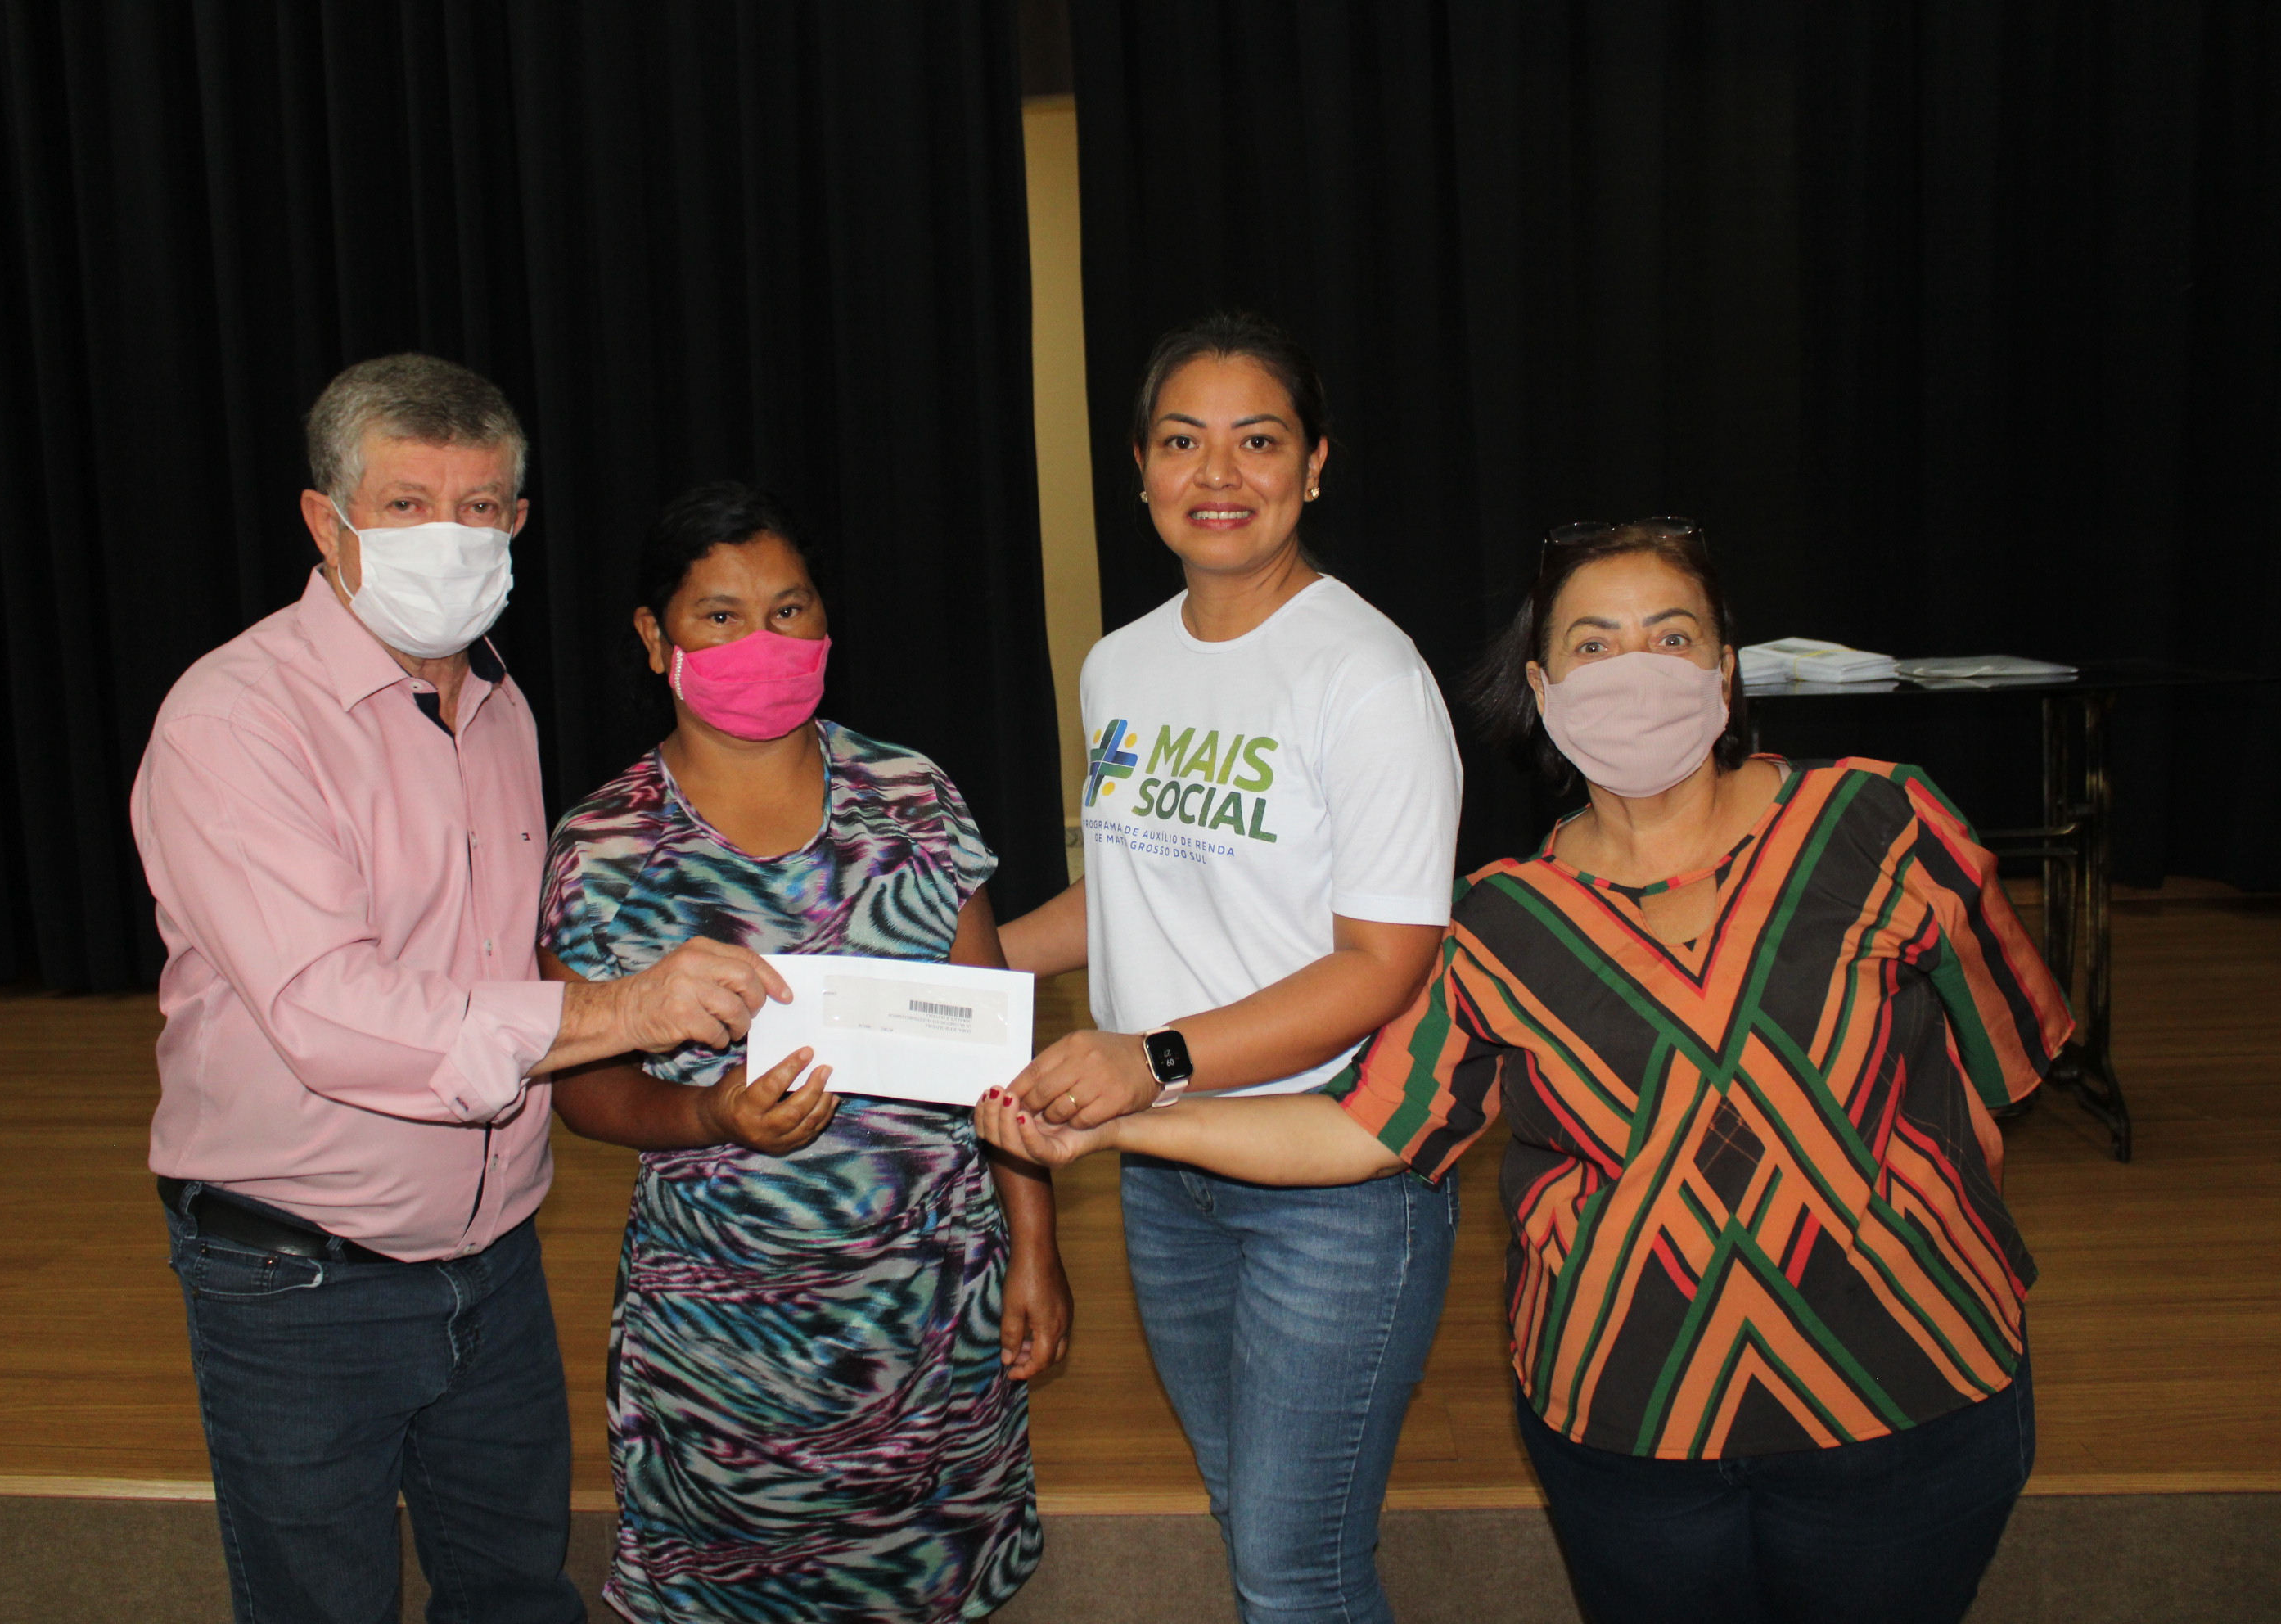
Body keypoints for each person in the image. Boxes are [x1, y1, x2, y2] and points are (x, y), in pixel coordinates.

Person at [981, 518, 2075, 1624]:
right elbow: (1364, 1129)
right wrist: (1117, 1124)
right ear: (1543, 691)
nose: (1636, 671)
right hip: (1628, 1433)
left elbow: (2006, 1068)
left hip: (1912, 1405)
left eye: (1671, 637)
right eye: (1594, 645)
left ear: (1726, 670)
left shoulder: (1885, 822)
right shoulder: (1498, 922)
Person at [133, 355, 794, 1624]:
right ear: (325, 520)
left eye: (480, 507)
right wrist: (625, 1008)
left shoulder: (498, 706)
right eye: (407, 504)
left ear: (519, 522)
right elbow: (332, 1012)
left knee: (514, 1587)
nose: (450, 535)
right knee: (322, 1604)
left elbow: (496, 962)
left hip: (493, 1261)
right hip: (301, 1276)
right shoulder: (235, 720)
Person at [997, 314, 1463, 1623]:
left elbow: (1385, 964)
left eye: (1257, 442)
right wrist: (963, 959)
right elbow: (1134, 883)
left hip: (1332, 1180)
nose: (1218, 474)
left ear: (1314, 466)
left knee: (1294, 1569)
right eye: (1181, 442)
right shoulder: (1120, 664)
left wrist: (1151, 1061)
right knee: (1250, 1520)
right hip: (1165, 1173)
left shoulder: (1366, 676)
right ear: (1140, 469)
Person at [535, 481, 1068, 1623]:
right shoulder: (604, 846)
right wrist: (709, 1114)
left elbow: (998, 1048)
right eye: (720, 616)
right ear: (656, 637)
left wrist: (1035, 1246)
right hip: (725, 1342)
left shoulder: (912, 797)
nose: (763, 641)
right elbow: (581, 1090)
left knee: (929, 1589)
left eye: (788, 609)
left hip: (933, 1313)